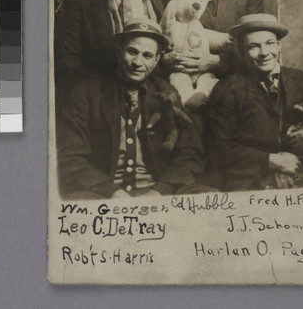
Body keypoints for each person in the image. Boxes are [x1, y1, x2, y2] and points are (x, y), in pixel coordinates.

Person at [57, 18, 207, 198]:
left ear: (157, 60)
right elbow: (70, 157)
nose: (137, 62)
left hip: (156, 194)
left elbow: (190, 154)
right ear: (119, 52)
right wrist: (112, 192)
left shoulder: (166, 95)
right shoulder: (86, 93)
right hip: (103, 194)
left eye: (147, 55)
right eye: (132, 51)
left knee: (207, 196)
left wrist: (159, 191)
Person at [206, 14, 303, 191]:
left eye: (270, 43)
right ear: (242, 51)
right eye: (254, 46)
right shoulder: (226, 90)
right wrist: (271, 162)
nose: (264, 53)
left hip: (302, 176)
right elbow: (219, 149)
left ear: (279, 45)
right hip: (249, 181)